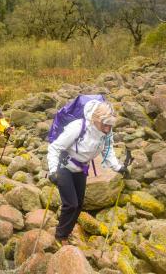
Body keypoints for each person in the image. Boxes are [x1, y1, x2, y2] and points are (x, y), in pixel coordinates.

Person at [47, 100, 127, 245]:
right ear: (95, 119)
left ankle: (66, 233)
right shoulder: (78, 127)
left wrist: (118, 167)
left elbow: (108, 152)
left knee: (79, 205)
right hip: (64, 167)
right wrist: (53, 171)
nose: (108, 127)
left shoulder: (106, 133)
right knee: (71, 204)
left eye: (111, 123)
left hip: (81, 169)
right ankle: (60, 236)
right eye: (105, 123)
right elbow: (55, 147)